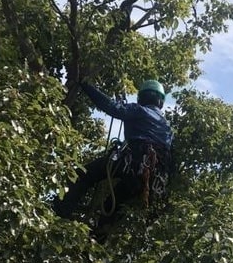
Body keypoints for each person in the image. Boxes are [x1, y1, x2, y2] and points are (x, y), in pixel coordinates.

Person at [53, 79, 173, 242]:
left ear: (142, 98)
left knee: (81, 174)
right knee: (111, 207)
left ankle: (58, 217)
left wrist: (86, 85)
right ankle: (94, 247)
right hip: (150, 179)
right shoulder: (167, 127)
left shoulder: (139, 111)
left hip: (130, 164)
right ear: (160, 102)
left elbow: (112, 108)